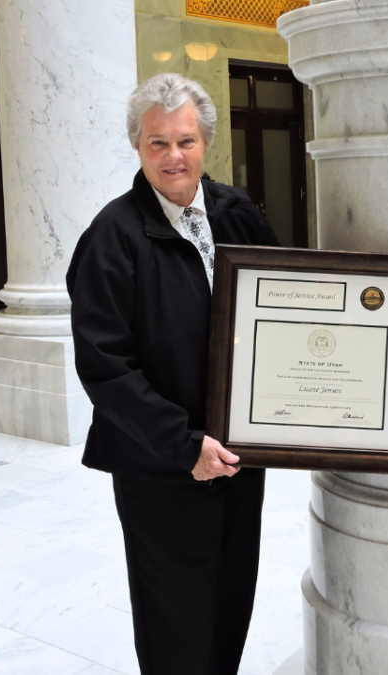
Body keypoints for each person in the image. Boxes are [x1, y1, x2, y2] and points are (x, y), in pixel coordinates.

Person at [66, 73, 280, 675]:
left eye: (184, 141)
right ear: (137, 146)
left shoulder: (239, 213)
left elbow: (280, 316)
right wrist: (183, 446)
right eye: (157, 143)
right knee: (176, 625)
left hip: (239, 455)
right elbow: (104, 367)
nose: (173, 156)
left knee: (231, 603)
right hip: (163, 466)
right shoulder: (113, 237)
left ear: (205, 143)